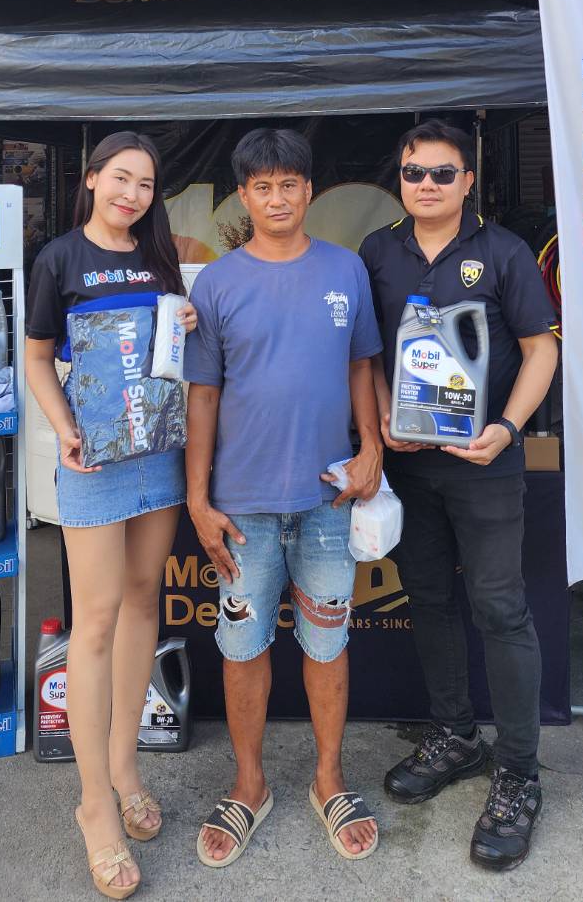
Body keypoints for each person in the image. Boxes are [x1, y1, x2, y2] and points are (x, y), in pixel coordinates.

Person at [358, 119, 558, 873]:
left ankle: (519, 773)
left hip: (485, 463)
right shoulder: (378, 251)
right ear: (400, 179)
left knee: (500, 608)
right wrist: (382, 413)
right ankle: (455, 735)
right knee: (430, 598)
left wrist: (508, 427)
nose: (428, 185)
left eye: (443, 173)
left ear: (468, 181)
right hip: (412, 465)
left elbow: (541, 350)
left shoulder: (503, 252)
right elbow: (368, 352)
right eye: (415, 172)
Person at [184, 127, 384, 868]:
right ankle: (250, 783)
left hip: (327, 498)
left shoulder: (345, 270)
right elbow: (203, 397)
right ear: (244, 195)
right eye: (262, 186)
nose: (277, 198)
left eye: (289, 184)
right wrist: (198, 499)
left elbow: (362, 365)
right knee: (243, 647)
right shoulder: (217, 283)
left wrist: (371, 446)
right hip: (241, 507)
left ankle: (329, 778)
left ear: (308, 190)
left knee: (327, 643)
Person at [25, 131, 197, 901]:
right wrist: (63, 427)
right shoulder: (59, 258)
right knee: (93, 621)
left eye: (146, 183)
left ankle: (125, 770)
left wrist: (182, 323)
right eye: (121, 178)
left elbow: (167, 350)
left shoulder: (159, 258)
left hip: (156, 452)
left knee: (141, 603)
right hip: (92, 458)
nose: (133, 193)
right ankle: (95, 804)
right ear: (92, 178)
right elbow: (37, 356)